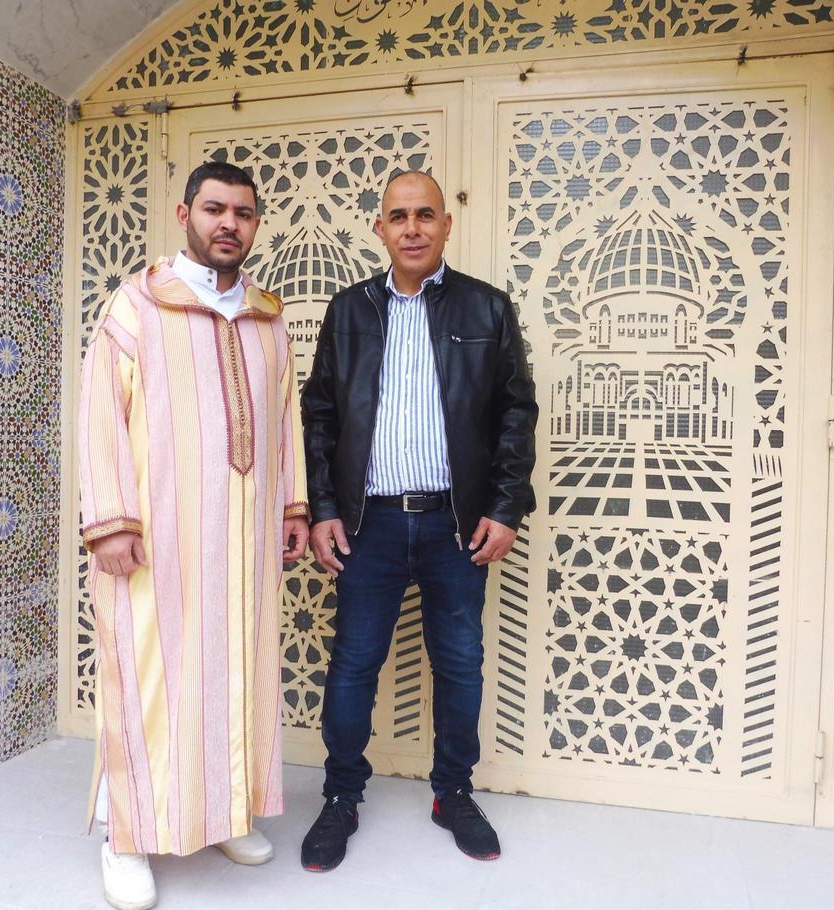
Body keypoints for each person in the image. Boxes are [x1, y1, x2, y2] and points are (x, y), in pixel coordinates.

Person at [78, 160, 309, 910]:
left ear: (255, 225)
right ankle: (128, 837)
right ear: (185, 213)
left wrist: (292, 510)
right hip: (155, 541)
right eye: (215, 209)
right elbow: (99, 420)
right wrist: (110, 522)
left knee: (233, 672)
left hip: (241, 546)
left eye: (242, 213)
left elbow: (285, 427)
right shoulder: (137, 306)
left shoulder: (269, 319)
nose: (228, 224)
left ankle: (223, 814)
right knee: (150, 679)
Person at [298, 170, 538, 871]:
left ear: (445, 225)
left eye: (424, 214)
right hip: (366, 526)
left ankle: (453, 792)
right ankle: (341, 796)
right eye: (397, 216)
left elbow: (514, 414)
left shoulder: (487, 310)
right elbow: (319, 416)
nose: (411, 228)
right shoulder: (349, 312)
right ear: (379, 227)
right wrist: (323, 509)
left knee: (460, 665)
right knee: (352, 666)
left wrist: (503, 507)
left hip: (453, 525)